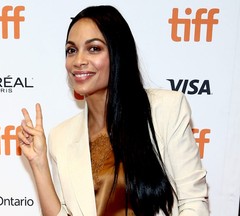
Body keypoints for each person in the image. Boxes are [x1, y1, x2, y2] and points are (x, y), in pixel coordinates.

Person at [17, 5, 209, 216]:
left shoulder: (166, 109)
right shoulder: (61, 136)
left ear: (118, 54)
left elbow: (193, 201)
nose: (78, 61)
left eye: (94, 48)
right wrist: (39, 164)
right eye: (71, 50)